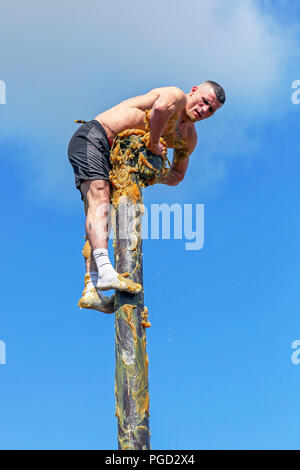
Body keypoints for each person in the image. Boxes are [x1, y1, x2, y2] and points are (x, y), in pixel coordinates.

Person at [68, 81, 226, 313]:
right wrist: (153, 144)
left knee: (104, 216)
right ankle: (105, 272)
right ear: (193, 91)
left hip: (114, 159)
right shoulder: (175, 96)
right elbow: (160, 110)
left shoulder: (188, 137)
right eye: (204, 101)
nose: (204, 110)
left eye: (211, 110)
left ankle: (92, 288)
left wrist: (153, 171)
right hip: (96, 137)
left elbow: (177, 175)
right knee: (100, 200)